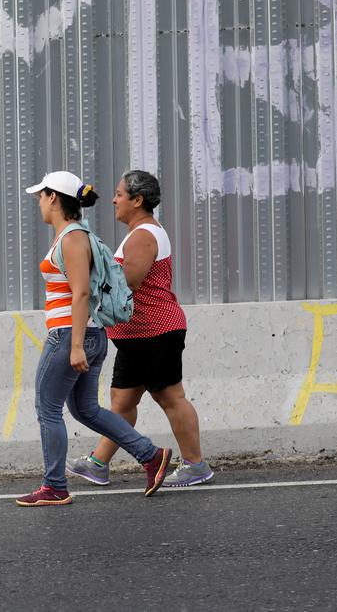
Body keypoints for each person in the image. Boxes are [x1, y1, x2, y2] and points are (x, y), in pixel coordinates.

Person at [15, 170, 173, 507]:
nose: (39, 203)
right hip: (87, 335)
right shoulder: (74, 235)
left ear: (54, 198)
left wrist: (73, 345)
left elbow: (82, 292)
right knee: (85, 409)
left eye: (41, 196)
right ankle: (150, 456)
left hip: (71, 336)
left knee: (47, 409)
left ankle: (54, 486)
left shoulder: (72, 238)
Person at [66, 170, 213, 488]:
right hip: (137, 335)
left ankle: (195, 465)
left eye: (120, 194)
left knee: (170, 396)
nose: (115, 200)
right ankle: (98, 463)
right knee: (122, 401)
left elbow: (127, 282)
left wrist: (88, 272)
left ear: (137, 199)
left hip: (155, 332)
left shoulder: (144, 234)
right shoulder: (138, 232)